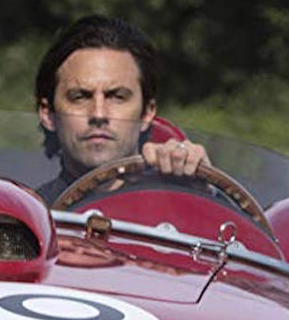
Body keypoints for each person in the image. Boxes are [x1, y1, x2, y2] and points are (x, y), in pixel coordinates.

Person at [34, 15, 210, 206]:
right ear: (47, 114)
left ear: (147, 113)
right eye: (80, 97)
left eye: (117, 97)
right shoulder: (29, 222)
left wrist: (204, 196)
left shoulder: (182, 204)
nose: (99, 114)